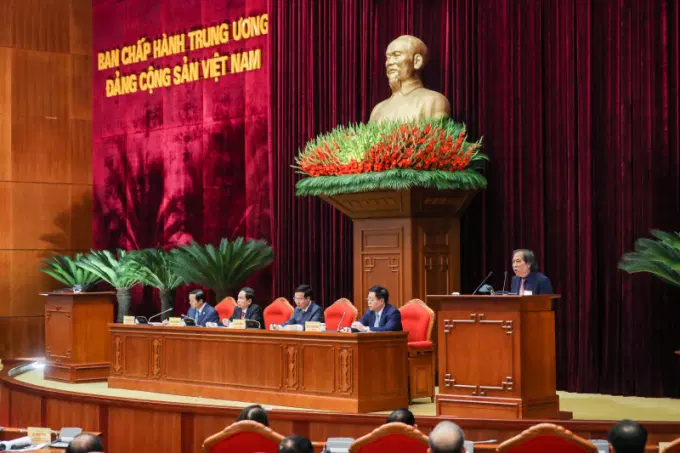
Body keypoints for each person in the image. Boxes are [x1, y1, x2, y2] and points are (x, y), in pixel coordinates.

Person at [370, 35, 451, 122]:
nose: (389, 62)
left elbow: (437, 130)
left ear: (417, 61)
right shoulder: (378, 110)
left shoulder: (433, 101)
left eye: (396, 55)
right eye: (388, 58)